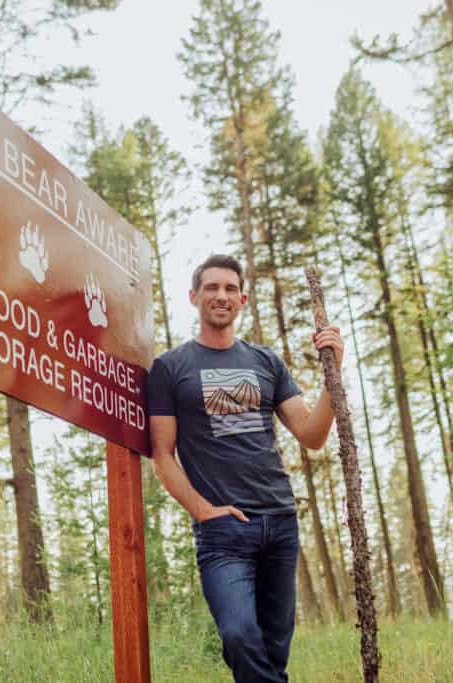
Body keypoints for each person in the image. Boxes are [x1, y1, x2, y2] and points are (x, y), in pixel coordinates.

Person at [147, 254, 343, 683]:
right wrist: (204, 511)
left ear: (243, 300)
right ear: (193, 296)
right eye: (212, 287)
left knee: (274, 651)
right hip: (224, 531)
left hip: (280, 520)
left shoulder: (266, 362)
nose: (222, 295)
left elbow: (311, 434)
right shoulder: (170, 368)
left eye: (230, 288)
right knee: (238, 635)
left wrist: (334, 373)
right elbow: (162, 455)